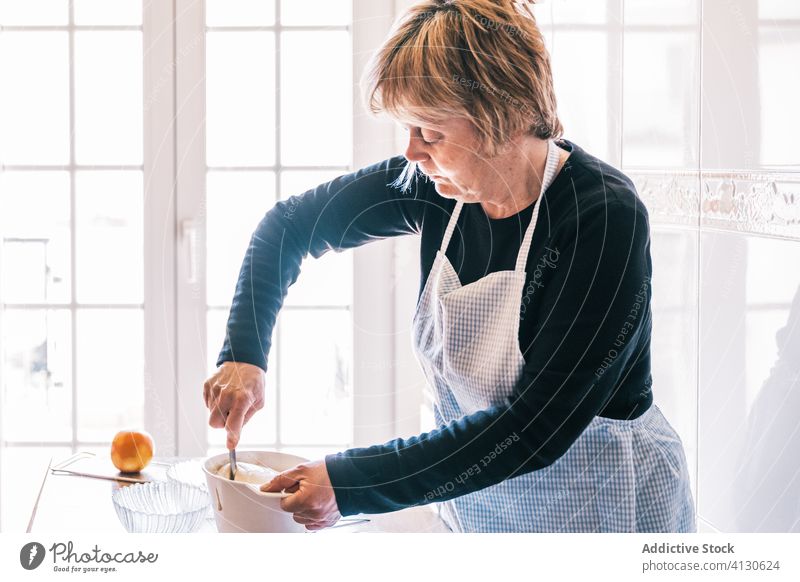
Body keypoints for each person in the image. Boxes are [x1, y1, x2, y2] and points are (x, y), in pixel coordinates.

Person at [203, 0, 696, 533]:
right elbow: (288, 228)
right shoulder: (435, 188)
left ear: (499, 115)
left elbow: (535, 429)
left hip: (606, 515)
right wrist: (243, 355)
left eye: (430, 133)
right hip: (483, 517)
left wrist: (351, 483)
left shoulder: (603, 218)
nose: (412, 152)